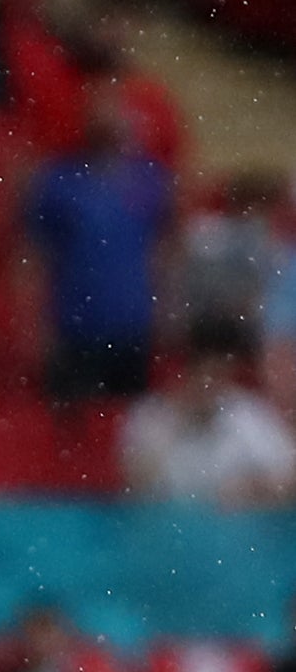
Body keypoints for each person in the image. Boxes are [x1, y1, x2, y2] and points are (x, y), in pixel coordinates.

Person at [23, 89, 174, 402]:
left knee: (124, 429)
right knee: (72, 428)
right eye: (101, 117)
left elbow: (166, 250)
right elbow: (34, 257)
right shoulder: (59, 181)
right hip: (74, 329)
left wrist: (165, 310)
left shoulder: (151, 178)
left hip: (133, 329)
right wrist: (36, 328)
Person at [121, 336, 296, 509]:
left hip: (230, 529)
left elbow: (289, 478)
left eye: (216, 377)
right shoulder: (151, 417)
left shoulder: (249, 416)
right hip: (168, 525)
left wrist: (255, 488)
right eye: (202, 377)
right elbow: (136, 487)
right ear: (185, 375)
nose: (208, 387)